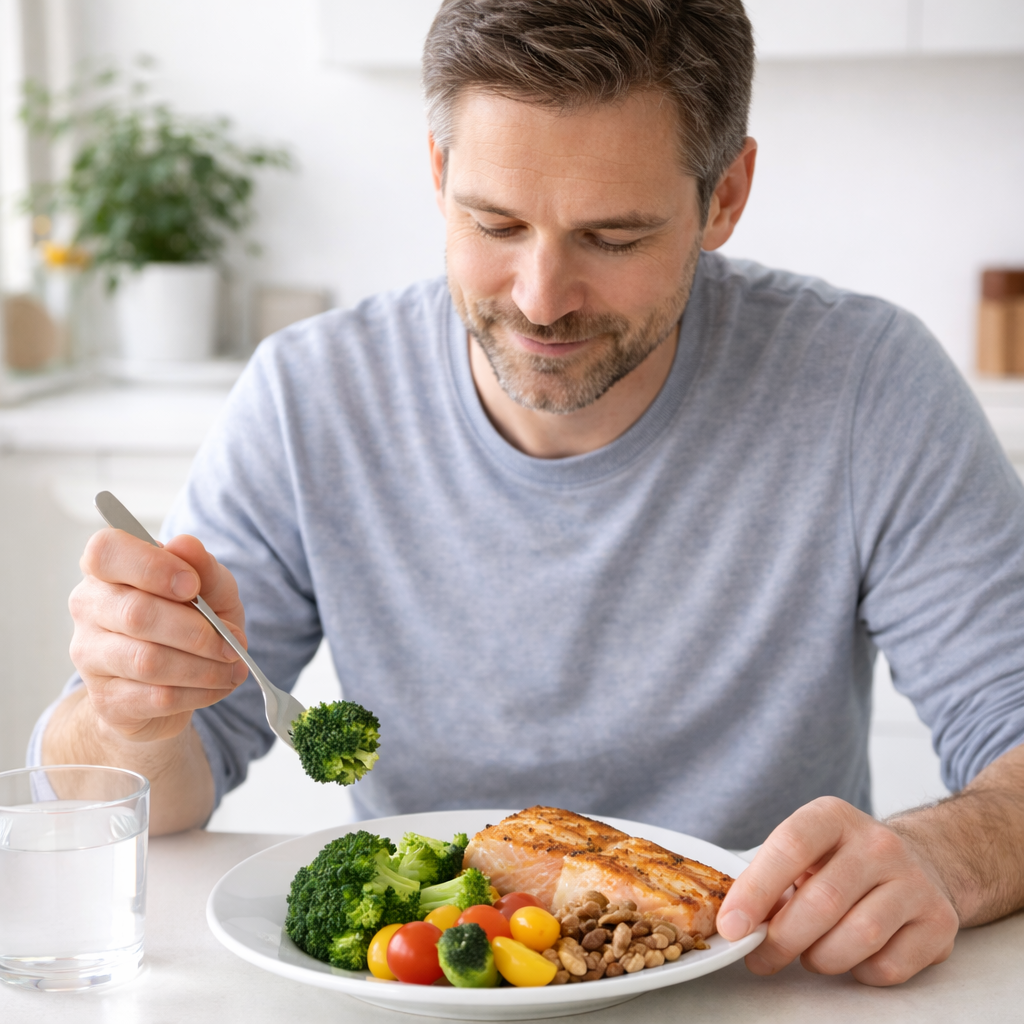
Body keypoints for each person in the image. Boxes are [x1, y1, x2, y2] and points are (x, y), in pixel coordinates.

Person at [32, 0, 1024, 987]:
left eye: (615, 236)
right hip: (428, 988)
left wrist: (943, 854)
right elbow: (124, 797)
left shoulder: (866, 384)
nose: (541, 296)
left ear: (724, 196)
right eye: (494, 221)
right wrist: (131, 717)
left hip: (763, 992)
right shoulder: (309, 397)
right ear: (436, 173)